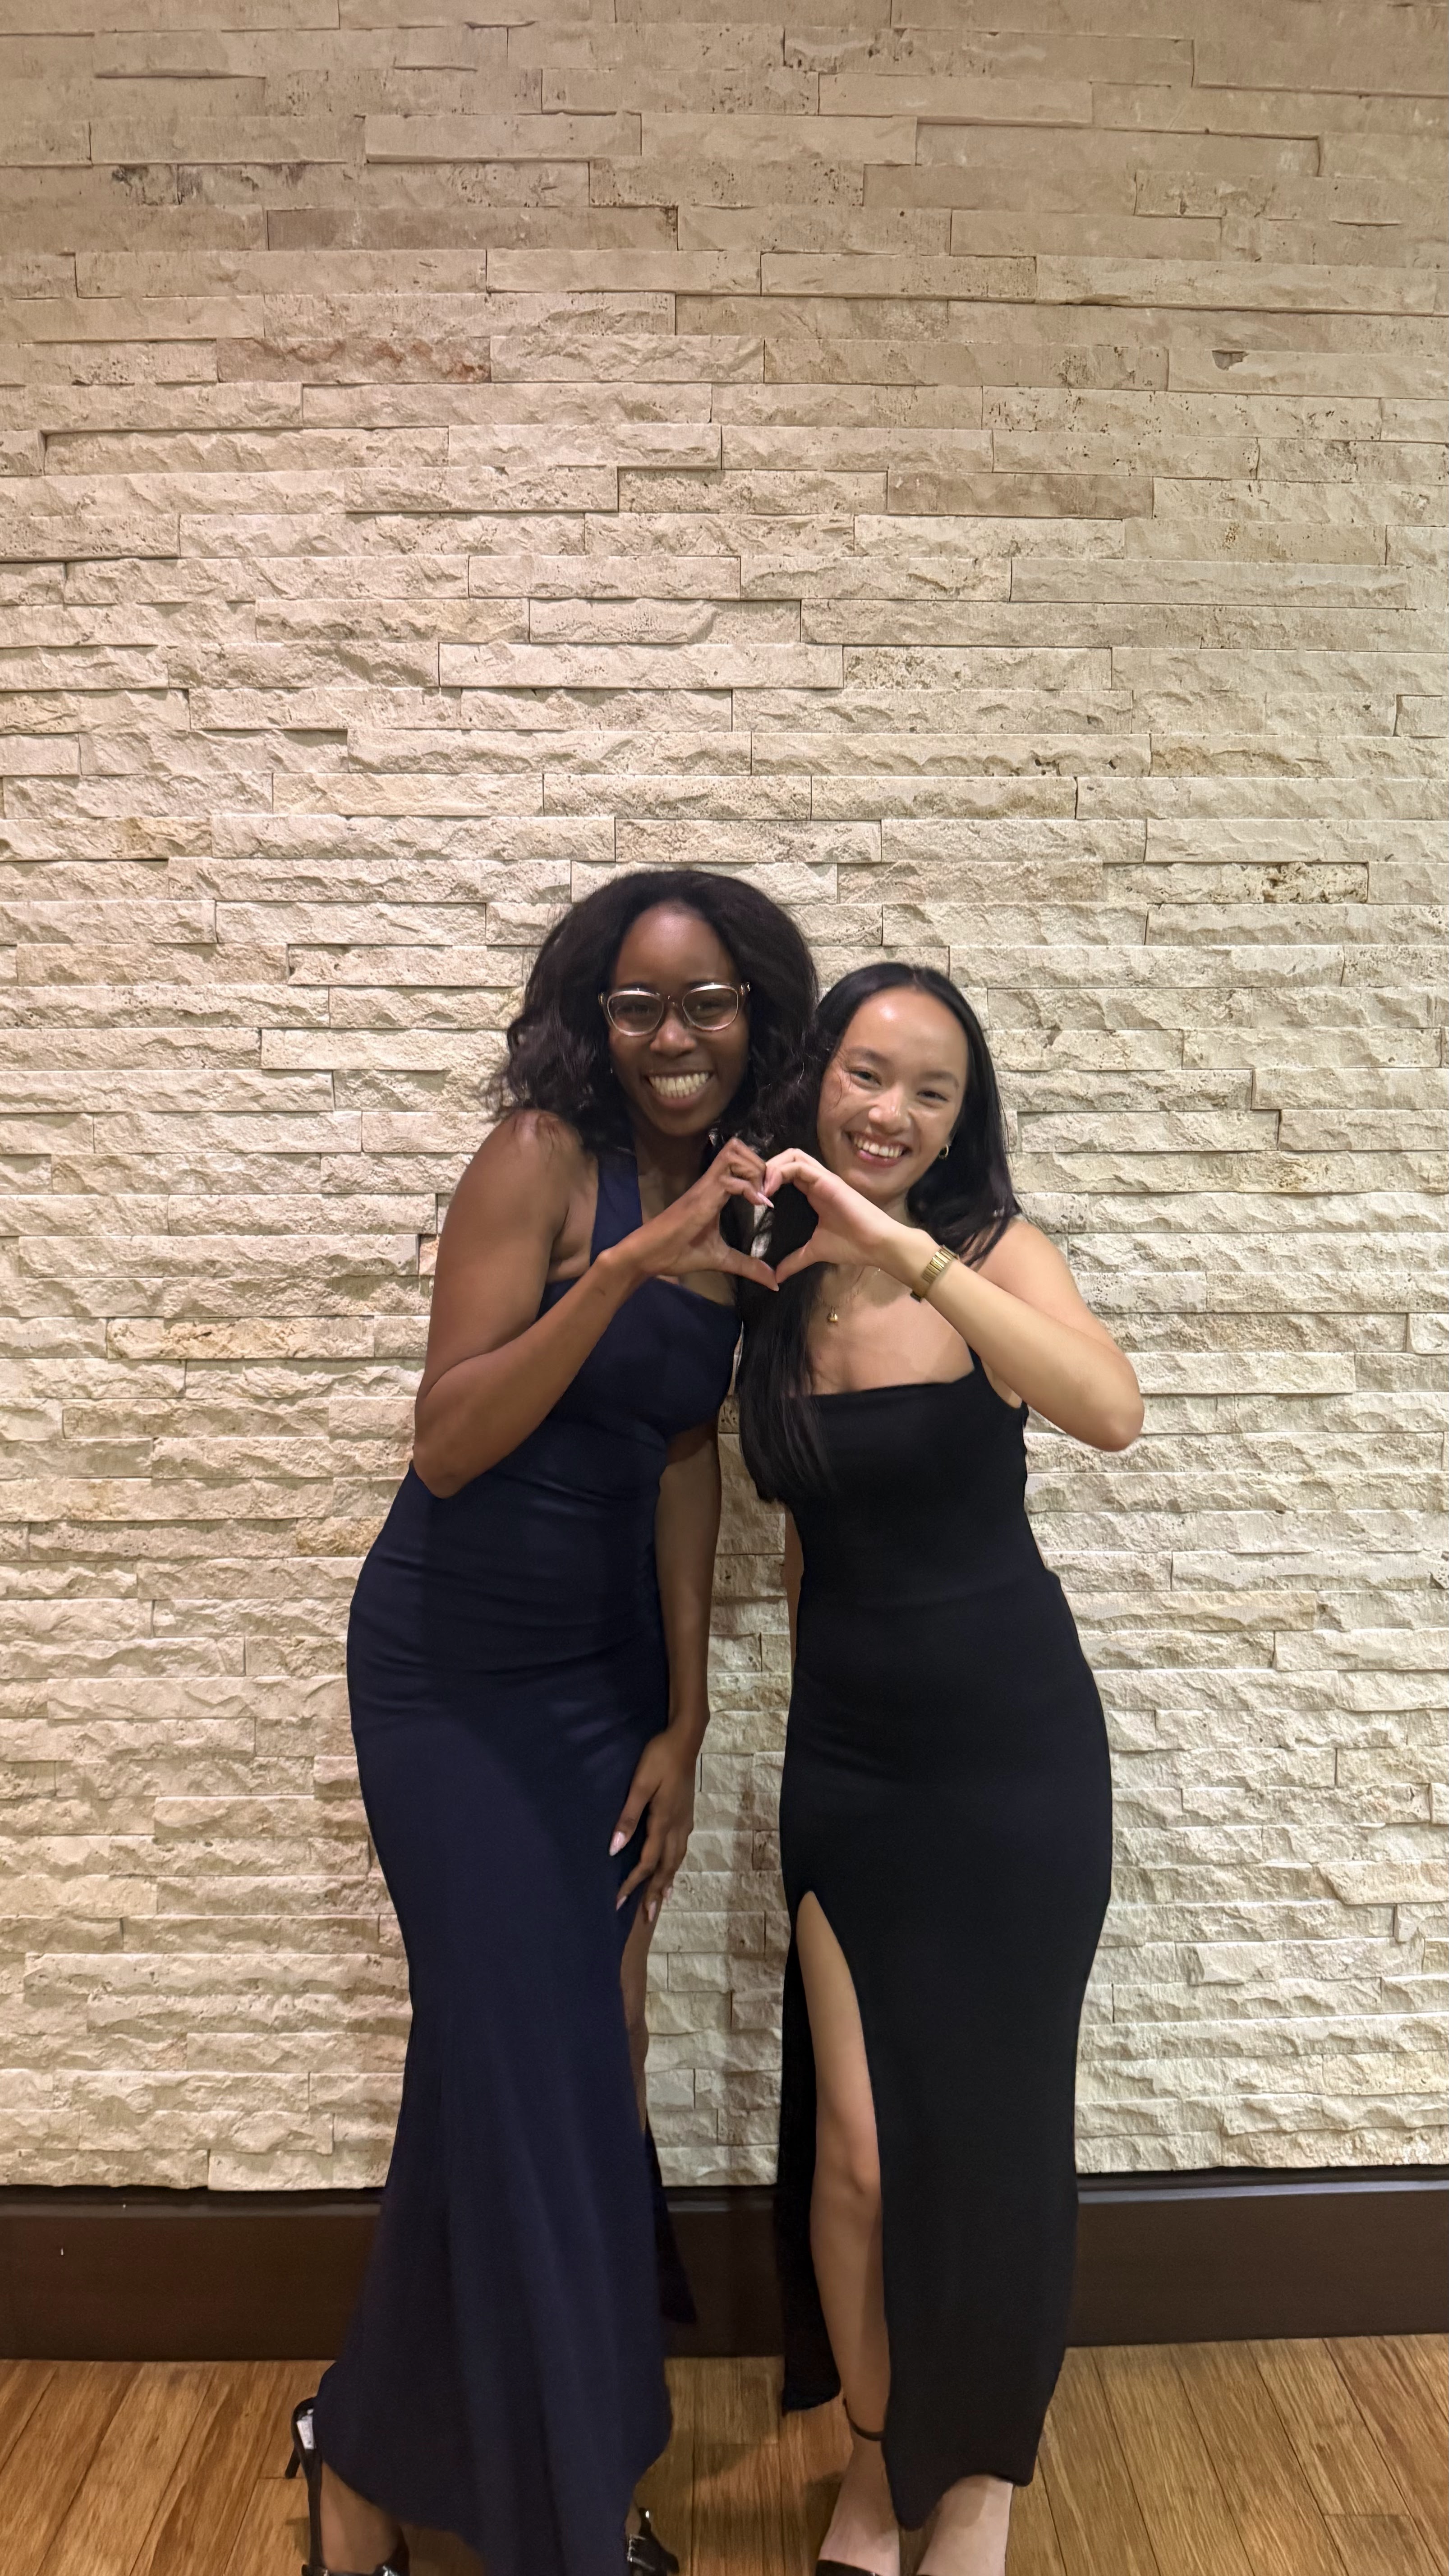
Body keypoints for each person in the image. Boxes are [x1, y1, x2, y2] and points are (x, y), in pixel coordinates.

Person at [288, 869, 816, 2576]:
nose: (674, 1037)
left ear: (756, 1016)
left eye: (709, 1002)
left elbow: (683, 1456)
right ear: (596, 1017)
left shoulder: (750, 1209)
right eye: (639, 1004)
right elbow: (448, 1440)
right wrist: (632, 1263)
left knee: (550, 2071)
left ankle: (373, 2463)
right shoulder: (539, 1161)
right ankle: (565, 2520)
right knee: (533, 2071)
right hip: (449, 1676)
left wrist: (687, 1717)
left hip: (600, 1682)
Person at [735, 963, 1142, 2576]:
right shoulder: (774, 1283)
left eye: (931, 1092)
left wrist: (908, 1252)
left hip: (1013, 1759)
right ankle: (874, 2458)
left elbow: (1109, 1409)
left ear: (962, 1124)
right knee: (855, 2152)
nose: (889, 1112)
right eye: (866, 1073)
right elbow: (802, 1546)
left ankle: (978, 2486)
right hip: (850, 1763)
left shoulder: (988, 1251)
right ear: (817, 1076)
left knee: (995, 2139)